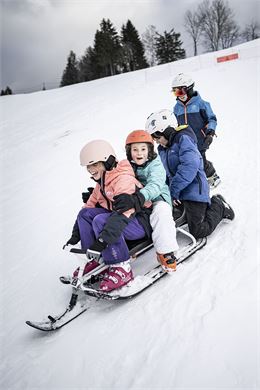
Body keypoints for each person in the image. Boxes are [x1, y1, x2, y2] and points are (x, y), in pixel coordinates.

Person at [66, 139, 153, 292]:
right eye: (88, 166)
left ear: (107, 161)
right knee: (85, 214)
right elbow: (88, 207)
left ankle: (121, 266)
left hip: (140, 222)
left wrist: (102, 240)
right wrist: (75, 237)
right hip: (122, 222)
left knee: (101, 220)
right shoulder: (102, 183)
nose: (90, 169)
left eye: (94, 164)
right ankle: (93, 259)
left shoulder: (122, 180)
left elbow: (122, 215)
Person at [145, 109, 235, 240]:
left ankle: (219, 205)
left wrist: (174, 190)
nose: (156, 141)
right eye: (153, 138)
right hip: (180, 192)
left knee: (198, 230)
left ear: (167, 131)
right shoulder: (164, 149)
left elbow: (189, 166)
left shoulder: (184, 140)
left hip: (195, 191)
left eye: (157, 137)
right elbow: (165, 172)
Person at [113, 130, 179, 272]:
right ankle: (130, 246)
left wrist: (139, 197)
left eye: (143, 149)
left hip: (158, 198)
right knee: (125, 215)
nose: (139, 153)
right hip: (138, 200)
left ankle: (165, 251)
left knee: (161, 213)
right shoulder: (127, 165)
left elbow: (155, 185)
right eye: (135, 150)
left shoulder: (155, 165)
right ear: (129, 151)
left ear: (149, 150)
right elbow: (116, 177)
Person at [171, 73, 220, 188]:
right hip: (186, 140)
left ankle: (212, 177)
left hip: (200, 138)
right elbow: (176, 124)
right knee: (192, 161)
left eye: (180, 91)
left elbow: (211, 119)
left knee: (200, 159)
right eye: (175, 92)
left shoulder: (202, 104)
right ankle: (198, 179)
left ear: (189, 89)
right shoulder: (176, 108)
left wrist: (210, 133)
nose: (178, 95)